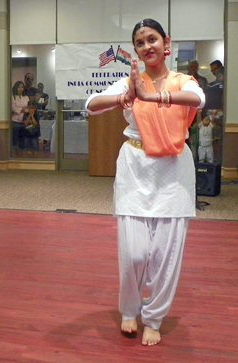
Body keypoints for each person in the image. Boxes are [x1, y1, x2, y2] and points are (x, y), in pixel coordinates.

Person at [86, 19, 205, 346]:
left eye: (152, 39)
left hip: (173, 170)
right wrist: (122, 97)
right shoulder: (129, 82)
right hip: (135, 168)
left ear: (165, 42)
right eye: (140, 42)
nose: (147, 46)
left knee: (166, 255)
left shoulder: (183, 80)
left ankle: (153, 318)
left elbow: (197, 100)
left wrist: (152, 98)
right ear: (135, 50)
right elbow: (91, 105)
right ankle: (129, 309)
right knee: (134, 252)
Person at [11, 80, 29, 157]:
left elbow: (28, 109)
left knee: (23, 139)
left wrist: (22, 109)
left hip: (24, 120)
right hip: (15, 120)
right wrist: (22, 109)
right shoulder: (12, 97)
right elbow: (14, 109)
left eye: (22, 87)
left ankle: (22, 155)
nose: (21, 89)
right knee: (14, 139)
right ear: (16, 88)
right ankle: (14, 155)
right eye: (19, 87)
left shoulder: (26, 97)